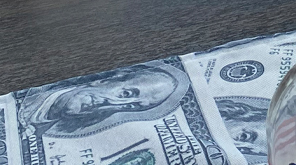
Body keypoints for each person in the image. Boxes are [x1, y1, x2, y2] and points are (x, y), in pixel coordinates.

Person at [19, 62, 187, 138]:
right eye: (126, 94)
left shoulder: (51, 132)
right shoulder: (31, 92)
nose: (114, 104)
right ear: (105, 80)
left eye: (131, 106)